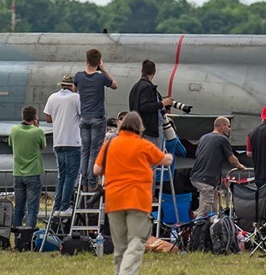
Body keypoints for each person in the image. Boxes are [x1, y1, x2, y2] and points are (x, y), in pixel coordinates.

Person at [93, 111, 172, 275]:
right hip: (137, 199)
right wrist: (170, 155)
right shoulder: (144, 145)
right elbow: (164, 160)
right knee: (138, 238)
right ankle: (127, 273)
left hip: (114, 199)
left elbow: (96, 170)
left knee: (119, 243)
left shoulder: (110, 143)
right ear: (140, 128)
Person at [74, 48, 118, 191]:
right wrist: (103, 69)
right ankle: (92, 183)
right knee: (94, 152)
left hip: (84, 118)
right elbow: (115, 85)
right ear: (99, 62)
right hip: (98, 119)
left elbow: (75, 89)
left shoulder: (79, 76)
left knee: (84, 151)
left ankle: (84, 182)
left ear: (86, 60)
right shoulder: (101, 77)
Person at [190, 116, 247, 219]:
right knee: (204, 213)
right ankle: (197, 231)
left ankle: (214, 230)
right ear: (222, 126)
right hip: (206, 180)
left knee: (214, 210)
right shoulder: (222, 139)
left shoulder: (204, 137)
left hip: (197, 177)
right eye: (228, 126)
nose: (230, 129)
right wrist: (240, 166)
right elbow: (231, 159)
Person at [43, 74, 81, 215]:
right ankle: (65, 206)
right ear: (73, 86)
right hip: (73, 141)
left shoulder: (52, 97)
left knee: (62, 176)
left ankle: (57, 207)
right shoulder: (76, 98)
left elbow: (47, 118)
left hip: (58, 142)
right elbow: (82, 115)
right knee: (72, 175)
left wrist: (59, 118)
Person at [9, 106, 46, 229]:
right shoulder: (37, 132)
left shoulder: (14, 130)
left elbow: (10, 143)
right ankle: (28, 234)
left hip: (18, 173)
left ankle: (17, 233)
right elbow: (43, 146)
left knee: (19, 206)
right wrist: (37, 127)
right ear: (35, 117)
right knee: (32, 207)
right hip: (33, 173)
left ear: (22, 116)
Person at [128, 59, 173, 146]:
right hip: (148, 132)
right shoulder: (147, 87)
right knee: (152, 158)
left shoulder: (136, 87)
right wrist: (162, 104)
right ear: (154, 72)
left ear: (142, 71)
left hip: (139, 129)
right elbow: (144, 106)